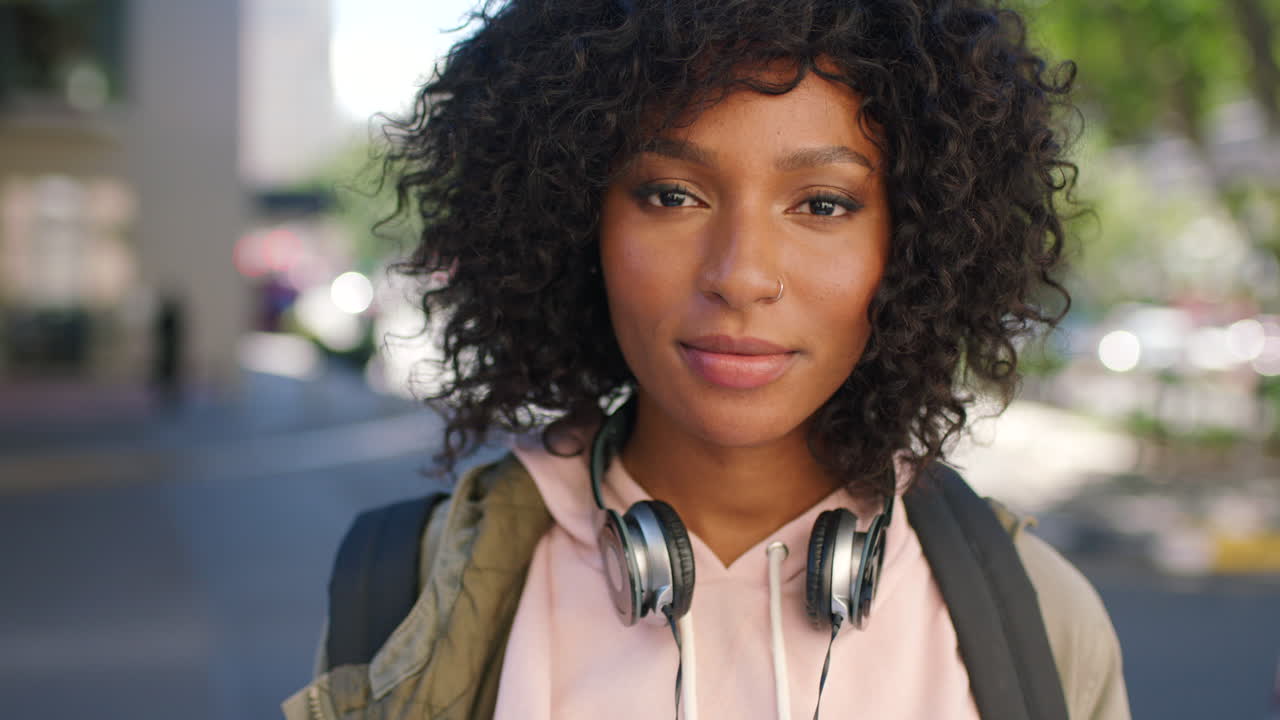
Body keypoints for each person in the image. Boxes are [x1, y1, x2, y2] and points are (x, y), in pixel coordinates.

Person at [285, 0, 1130, 718]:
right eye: (671, 195)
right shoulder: (407, 595)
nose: (740, 276)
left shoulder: (1037, 623)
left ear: (912, 243)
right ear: (583, 220)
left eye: (823, 204)